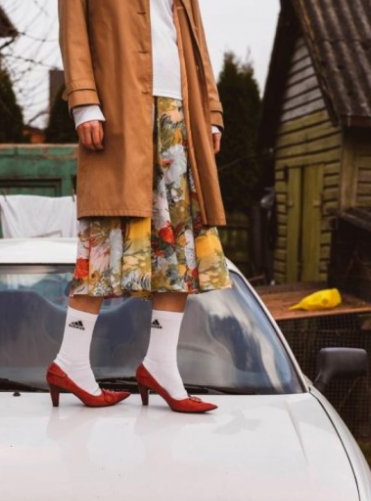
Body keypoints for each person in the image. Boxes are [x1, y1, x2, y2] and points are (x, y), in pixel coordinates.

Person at [47, 0, 233, 413]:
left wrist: (211, 113)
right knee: (104, 237)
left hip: (180, 116)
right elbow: (74, 31)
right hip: (119, 112)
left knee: (179, 247)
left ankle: (161, 364)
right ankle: (71, 359)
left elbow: (197, 42)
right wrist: (83, 102)